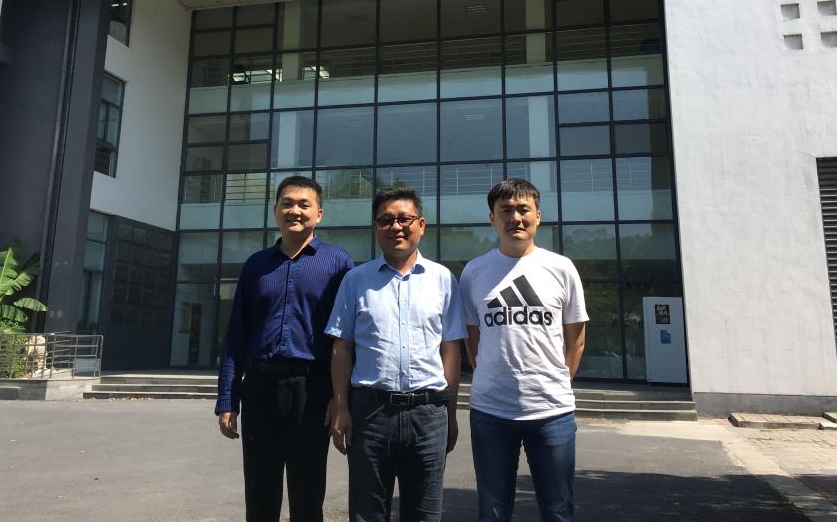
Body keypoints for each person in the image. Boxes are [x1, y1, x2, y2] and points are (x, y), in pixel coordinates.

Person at [215, 175, 354, 522]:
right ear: (275, 210)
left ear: (319, 214)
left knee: (308, 491)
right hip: (259, 386)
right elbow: (236, 335)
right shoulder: (256, 265)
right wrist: (227, 399)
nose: (295, 210)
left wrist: (341, 399)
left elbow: (348, 337)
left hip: (312, 389)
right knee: (259, 490)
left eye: (304, 204)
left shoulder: (338, 263)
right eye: (287, 203)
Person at [326, 187, 466, 522]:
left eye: (404, 218)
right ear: (375, 227)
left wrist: (450, 412)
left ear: (421, 225)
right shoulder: (355, 280)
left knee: (425, 514)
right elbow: (341, 348)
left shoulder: (443, 280)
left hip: (428, 414)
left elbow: (450, 348)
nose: (396, 227)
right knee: (367, 513)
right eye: (386, 220)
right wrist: (341, 408)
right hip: (370, 414)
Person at [459, 178, 588, 522]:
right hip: (490, 411)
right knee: (493, 511)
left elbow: (576, 339)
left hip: (552, 412)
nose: (515, 217)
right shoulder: (474, 272)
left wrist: (556, 382)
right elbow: (472, 340)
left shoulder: (561, 268)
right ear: (492, 219)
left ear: (538, 216)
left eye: (523, 209)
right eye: (506, 210)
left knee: (558, 510)